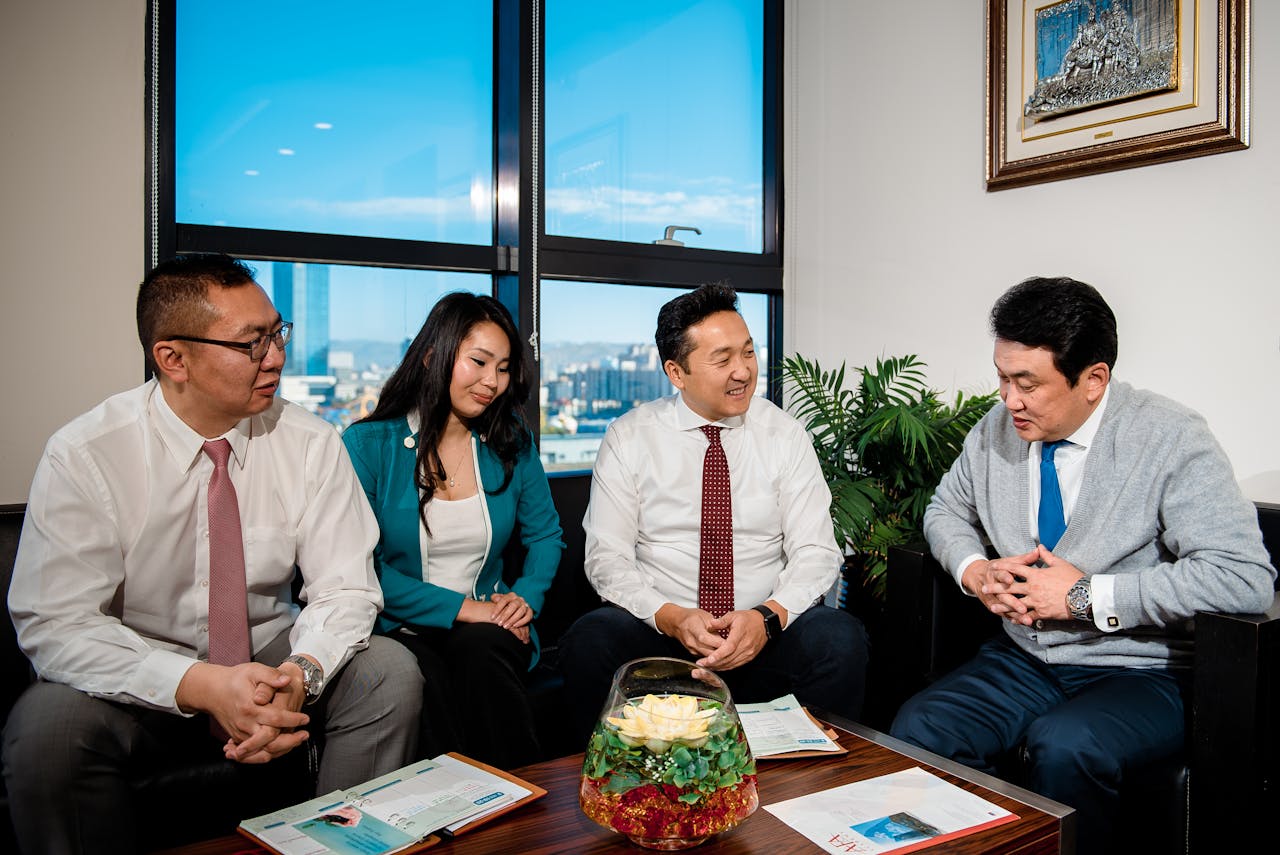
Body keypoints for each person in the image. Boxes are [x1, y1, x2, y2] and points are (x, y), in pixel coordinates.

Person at [2, 254, 423, 855]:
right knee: (47, 727)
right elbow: (57, 623)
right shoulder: (87, 454)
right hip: (143, 675)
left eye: (277, 333)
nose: (276, 357)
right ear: (173, 358)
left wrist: (299, 676)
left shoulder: (310, 441)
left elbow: (347, 589)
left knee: (387, 669)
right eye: (251, 344)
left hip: (270, 662)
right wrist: (200, 685)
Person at [889, 276, 1275, 854]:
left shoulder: (1170, 437)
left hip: (1140, 670)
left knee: (1066, 745)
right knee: (920, 729)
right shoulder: (996, 431)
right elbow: (946, 510)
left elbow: (1241, 577)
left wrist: (1084, 598)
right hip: (1026, 658)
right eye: (1002, 377)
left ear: (1093, 379)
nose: (1008, 399)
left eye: (1028, 384)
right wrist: (974, 569)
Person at [559, 282, 868, 740]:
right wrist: (672, 617)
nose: (742, 371)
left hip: (763, 633)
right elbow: (607, 559)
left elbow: (817, 552)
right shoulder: (631, 437)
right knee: (590, 638)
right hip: (665, 638)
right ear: (676, 372)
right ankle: (611, 785)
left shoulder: (784, 436)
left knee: (839, 639)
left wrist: (767, 617)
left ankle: (809, 782)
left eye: (748, 353)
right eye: (722, 360)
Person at [342, 292, 563, 769]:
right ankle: (456, 817)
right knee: (428, 674)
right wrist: (467, 610)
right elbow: (361, 567)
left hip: (492, 626)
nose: (493, 382)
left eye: (503, 368)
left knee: (481, 653)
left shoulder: (511, 442)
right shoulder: (368, 444)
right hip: (398, 627)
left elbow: (546, 535)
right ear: (431, 356)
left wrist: (525, 598)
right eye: (479, 362)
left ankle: (522, 802)